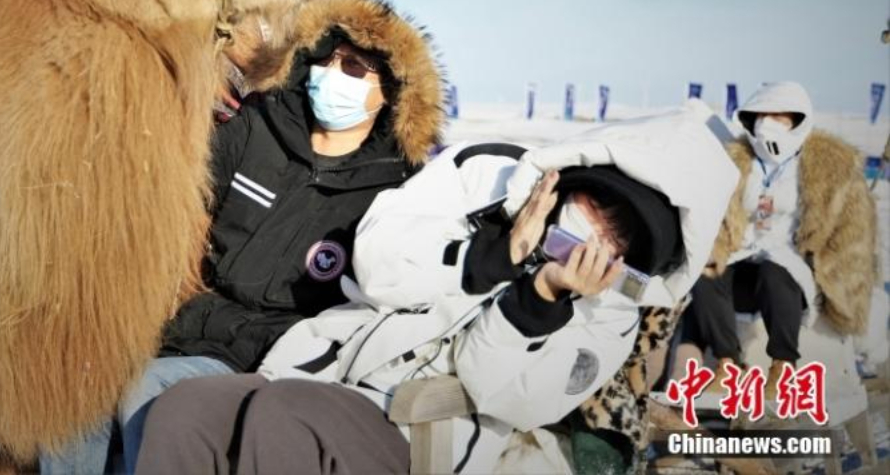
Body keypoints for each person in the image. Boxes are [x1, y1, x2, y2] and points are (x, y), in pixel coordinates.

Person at [135, 101, 739, 474]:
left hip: (419, 428)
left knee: (285, 415)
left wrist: (538, 304)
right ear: (578, 177)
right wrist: (490, 256)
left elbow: (513, 400)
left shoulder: (611, 311)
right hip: (316, 368)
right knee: (186, 409)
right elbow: (371, 257)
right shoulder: (488, 178)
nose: (598, 232)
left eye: (622, 236)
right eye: (600, 203)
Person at [41, 0, 445, 474]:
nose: (334, 75)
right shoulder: (260, 127)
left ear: (392, 92)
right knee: (70, 387)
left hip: (276, 355)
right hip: (187, 324)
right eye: (327, 59)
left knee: (144, 393)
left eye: (356, 68)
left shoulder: (391, 188)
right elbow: (176, 181)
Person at [683, 81, 877, 392]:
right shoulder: (739, 160)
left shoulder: (826, 167)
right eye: (761, 115)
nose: (767, 124)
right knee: (706, 276)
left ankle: (783, 367)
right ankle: (726, 365)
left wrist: (835, 273)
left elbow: (851, 233)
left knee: (775, 273)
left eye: (779, 116)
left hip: (794, 264)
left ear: (798, 120)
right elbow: (719, 219)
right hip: (743, 255)